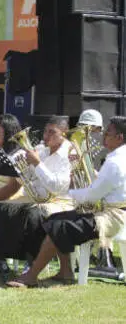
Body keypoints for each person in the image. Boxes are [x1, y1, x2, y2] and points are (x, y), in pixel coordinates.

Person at [7, 116, 126, 288]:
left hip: (110, 217)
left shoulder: (114, 162)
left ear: (119, 138)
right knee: (56, 220)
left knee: (59, 225)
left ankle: (32, 276)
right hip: (110, 211)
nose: (104, 136)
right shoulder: (118, 157)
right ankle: (65, 272)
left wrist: (71, 190)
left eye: (108, 134)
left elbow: (93, 195)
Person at [0, 116, 73, 265]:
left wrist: (38, 163)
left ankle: (31, 262)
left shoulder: (69, 154)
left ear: (64, 133)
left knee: (32, 215)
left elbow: (56, 187)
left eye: (52, 132)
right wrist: (20, 165)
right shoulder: (42, 150)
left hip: (59, 202)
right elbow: (24, 179)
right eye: (45, 131)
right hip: (35, 200)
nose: (46, 136)